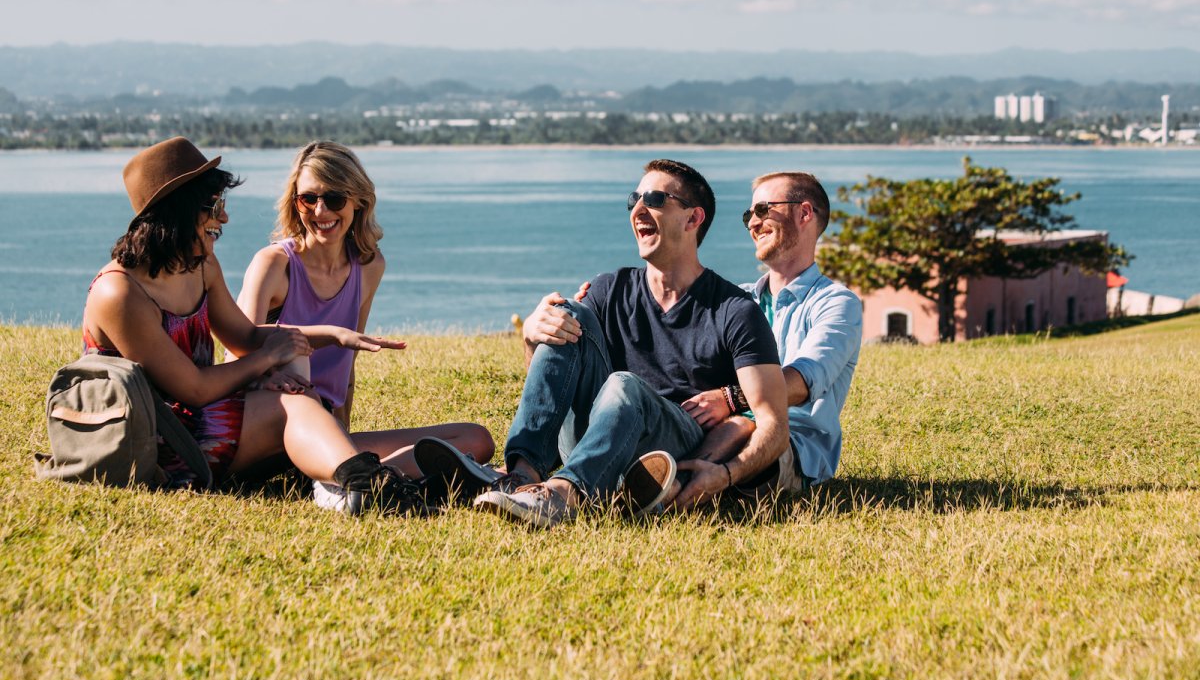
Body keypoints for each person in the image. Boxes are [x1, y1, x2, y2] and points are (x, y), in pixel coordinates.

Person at [82, 136, 427, 515]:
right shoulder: (120, 292)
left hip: (205, 422)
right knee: (296, 403)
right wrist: (267, 361)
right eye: (214, 206)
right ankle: (366, 485)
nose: (224, 217)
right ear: (178, 211)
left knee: (298, 390)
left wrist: (332, 336)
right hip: (163, 445)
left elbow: (244, 335)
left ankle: (356, 478)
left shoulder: (200, 265)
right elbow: (194, 389)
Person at [466, 158, 791, 528]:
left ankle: (563, 495)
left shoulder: (735, 310)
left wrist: (727, 474)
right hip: (593, 436)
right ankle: (522, 478)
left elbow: (773, 424)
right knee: (566, 312)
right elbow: (559, 385)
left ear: (692, 219)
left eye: (654, 198)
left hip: (668, 450)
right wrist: (532, 339)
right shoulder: (609, 289)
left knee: (623, 385)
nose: (638, 208)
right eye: (633, 199)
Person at [236, 141, 494, 510]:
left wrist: (340, 431)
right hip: (269, 425)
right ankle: (352, 484)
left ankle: (363, 478)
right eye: (308, 198)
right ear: (295, 201)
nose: (320, 211)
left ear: (358, 201)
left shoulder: (369, 267)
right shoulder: (274, 264)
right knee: (300, 371)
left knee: (475, 439)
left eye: (335, 198)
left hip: (323, 429)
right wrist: (266, 377)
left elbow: (347, 368)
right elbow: (236, 351)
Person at [668, 171, 861, 507]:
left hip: (791, 448)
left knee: (741, 427)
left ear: (804, 213)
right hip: (715, 430)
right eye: (748, 215)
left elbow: (803, 381)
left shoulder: (836, 303)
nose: (752, 224)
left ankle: (668, 489)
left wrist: (730, 399)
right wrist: (599, 305)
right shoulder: (738, 300)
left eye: (762, 210)